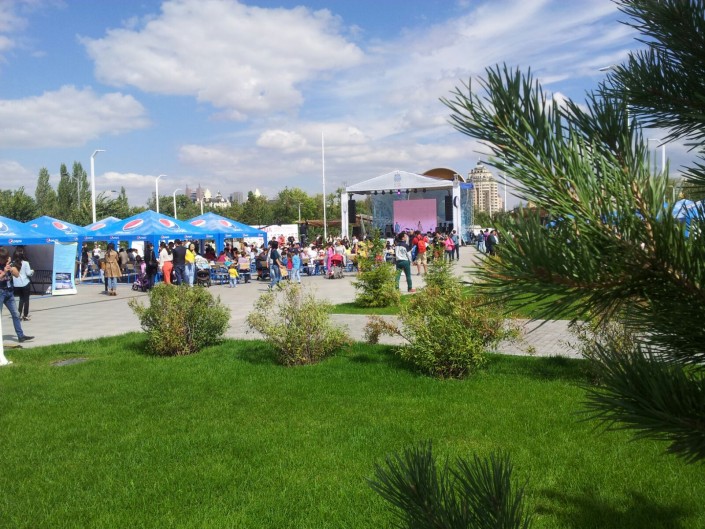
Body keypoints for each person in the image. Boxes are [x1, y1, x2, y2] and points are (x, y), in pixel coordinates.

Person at [0, 247, 33, 343]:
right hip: (1, 292)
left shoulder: (9, 265)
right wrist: (4, 272)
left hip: (9, 292)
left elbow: (17, 275)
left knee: (16, 314)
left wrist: (10, 268)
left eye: (6, 258)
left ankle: (20, 336)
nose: (5, 260)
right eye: (4, 259)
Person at [11, 246, 33, 321]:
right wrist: (32, 271)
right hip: (25, 283)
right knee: (26, 299)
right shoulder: (26, 263)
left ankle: (19, 314)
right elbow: (28, 273)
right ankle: (25, 315)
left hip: (17, 284)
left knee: (21, 299)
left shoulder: (12, 264)